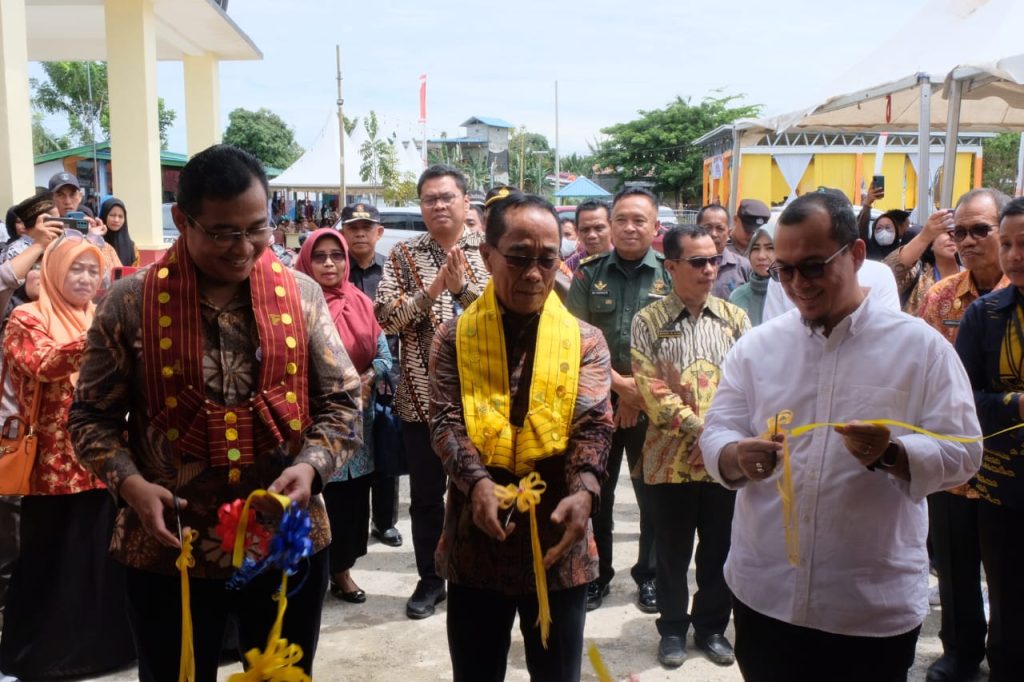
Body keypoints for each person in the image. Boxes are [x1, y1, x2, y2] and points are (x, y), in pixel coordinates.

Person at [67, 144, 362, 682]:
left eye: (259, 228)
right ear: (182, 219)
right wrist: (130, 484)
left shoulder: (301, 295)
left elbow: (342, 402)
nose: (244, 247)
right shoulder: (129, 302)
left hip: (284, 539)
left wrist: (315, 465)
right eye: (225, 232)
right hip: (167, 547)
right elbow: (89, 419)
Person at [699, 191, 982, 681]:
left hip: (868, 608)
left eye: (811, 267)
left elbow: (964, 452)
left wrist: (893, 454)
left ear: (854, 255)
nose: (795, 284)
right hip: (767, 594)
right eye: (783, 270)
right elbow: (718, 428)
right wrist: (734, 455)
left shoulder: (920, 349)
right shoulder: (758, 349)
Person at [429, 192, 613, 681]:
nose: (533, 273)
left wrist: (585, 492)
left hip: (559, 541)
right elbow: (446, 421)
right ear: (487, 256)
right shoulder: (453, 337)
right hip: (476, 539)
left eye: (546, 259)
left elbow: (592, 426)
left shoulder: (586, 341)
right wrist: (478, 483)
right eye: (518, 257)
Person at [0, 231, 135, 679]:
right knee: (52, 556)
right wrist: (101, 334)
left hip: (100, 457)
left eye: (93, 270)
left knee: (96, 555)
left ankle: (103, 650)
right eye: (75, 268)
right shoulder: (27, 317)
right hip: (52, 463)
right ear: (54, 271)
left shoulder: (96, 314)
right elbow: (43, 363)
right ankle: (44, 655)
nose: (85, 278)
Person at [375, 164, 490, 619]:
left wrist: (461, 292)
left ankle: (474, 572)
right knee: (425, 497)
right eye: (430, 199)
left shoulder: (488, 252)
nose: (439, 206)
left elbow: (501, 323)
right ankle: (430, 579)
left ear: (466, 203)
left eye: (448, 197)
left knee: (476, 489)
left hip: (479, 403)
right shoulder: (403, 255)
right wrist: (432, 291)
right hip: (419, 401)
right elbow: (386, 319)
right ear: (421, 206)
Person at [631, 225, 749, 669]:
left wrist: (721, 440)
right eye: (697, 262)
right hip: (670, 462)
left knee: (720, 549)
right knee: (672, 552)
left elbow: (747, 387)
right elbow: (651, 389)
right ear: (672, 266)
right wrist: (706, 433)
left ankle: (713, 627)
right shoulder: (649, 322)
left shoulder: (735, 319)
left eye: (714, 260)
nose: (709, 269)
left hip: (724, 463)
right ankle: (673, 630)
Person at [915, 188, 1010, 682]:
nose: (967, 241)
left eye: (980, 230)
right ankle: (960, 651)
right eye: (959, 232)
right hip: (952, 461)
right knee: (953, 567)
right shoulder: (939, 296)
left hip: (1009, 463)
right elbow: (921, 372)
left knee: (1008, 571)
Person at [566, 187, 671, 613]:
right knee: (598, 494)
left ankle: (648, 576)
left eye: (639, 220)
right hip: (597, 407)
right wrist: (619, 389)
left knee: (653, 497)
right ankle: (598, 574)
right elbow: (574, 340)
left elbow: (676, 347)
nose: (629, 227)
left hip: (652, 409)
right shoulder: (589, 274)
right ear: (610, 225)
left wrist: (636, 394)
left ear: (655, 227)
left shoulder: (671, 273)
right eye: (621, 219)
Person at [295, 228, 392, 604]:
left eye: (337, 255)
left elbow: (384, 356)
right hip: (312, 424)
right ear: (307, 260)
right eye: (320, 256)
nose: (330, 263)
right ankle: (311, 577)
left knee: (352, 503)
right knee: (316, 498)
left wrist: (366, 378)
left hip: (358, 424)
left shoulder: (360, 302)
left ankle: (343, 572)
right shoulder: (292, 307)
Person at [954, 196, 1024, 682]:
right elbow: (958, 406)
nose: (1015, 255)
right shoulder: (985, 315)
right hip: (1003, 491)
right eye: (1008, 244)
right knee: (1009, 609)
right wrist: (1015, 406)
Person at [340, 203, 403, 548]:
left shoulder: (390, 272)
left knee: (386, 449)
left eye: (367, 227)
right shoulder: (335, 271)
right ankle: (352, 524)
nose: (360, 233)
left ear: (379, 232)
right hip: (342, 380)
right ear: (344, 233)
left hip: (387, 373)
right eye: (353, 228)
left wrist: (388, 372)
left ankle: (385, 521)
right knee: (349, 455)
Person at [883, 208, 961, 314]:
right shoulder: (918, 274)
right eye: (945, 232)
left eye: (958, 233)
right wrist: (924, 236)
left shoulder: (974, 275)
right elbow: (889, 270)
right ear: (931, 244)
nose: (952, 237)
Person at [698, 204, 751, 299]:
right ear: (696, 230)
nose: (713, 234)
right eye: (707, 228)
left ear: (729, 232)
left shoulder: (743, 266)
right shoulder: (686, 264)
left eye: (720, 228)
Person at [729, 225, 774, 326]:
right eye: (756, 248)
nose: (761, 256)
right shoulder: (737, 297)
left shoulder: (793, 296)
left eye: (770, 248)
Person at [564, 200, 612, 272]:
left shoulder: (626, 261)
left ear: (612, 227)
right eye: (585, 230)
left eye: (598, 228)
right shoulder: (570, 266)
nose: (592, 235)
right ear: (577, 232)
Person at [100, 197, 139, 267]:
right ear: (104, 216)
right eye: (112, 215)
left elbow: (135, 272)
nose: (116, 220)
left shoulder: (132, 247)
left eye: (120, 216)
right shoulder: (96, 242)